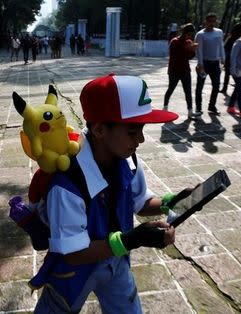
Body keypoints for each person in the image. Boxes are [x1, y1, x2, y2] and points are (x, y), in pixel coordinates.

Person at [31, 74, 196, 313]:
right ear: (99, 130)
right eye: (132, 131)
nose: (140, 139)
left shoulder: (127, 160)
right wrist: (133, 239)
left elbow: (140, 202)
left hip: (116, 262)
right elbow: (73, 253)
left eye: (141, 130)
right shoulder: (67, 184)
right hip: (72, 274)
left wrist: (171, 201)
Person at [163, 23, 198, 119]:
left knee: (188, 91)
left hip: (185, 70)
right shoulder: (175, 41)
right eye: (189, 34)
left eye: (191, 35)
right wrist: (187, 49)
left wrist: (193, 50)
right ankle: (165, 108)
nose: (189, 36)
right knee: (171, 89)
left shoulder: (189, 42)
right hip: (174, 70)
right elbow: (176, 56)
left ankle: (190, 112)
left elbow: (189, 57)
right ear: (184, 32)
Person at [194, 13, 225, 116]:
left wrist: (223, 59)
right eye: (210, 21)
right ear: (205, 22)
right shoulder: (200, 34)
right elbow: (199, 51)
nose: (212, 23)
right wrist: (200, 64)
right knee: (200, 86)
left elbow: (221, 46)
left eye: (214, 21)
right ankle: (198, 108)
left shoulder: (219, 32)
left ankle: (212, 106)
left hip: (216, 63)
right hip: (204, 64)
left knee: (216, 86)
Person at [220, 23, 241, 95]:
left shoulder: (231, 36)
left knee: (227, 74)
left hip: (228, 57)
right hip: (236, 59)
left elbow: (225, 46)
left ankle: (225, 88)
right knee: (235, 75)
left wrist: (223, 58)